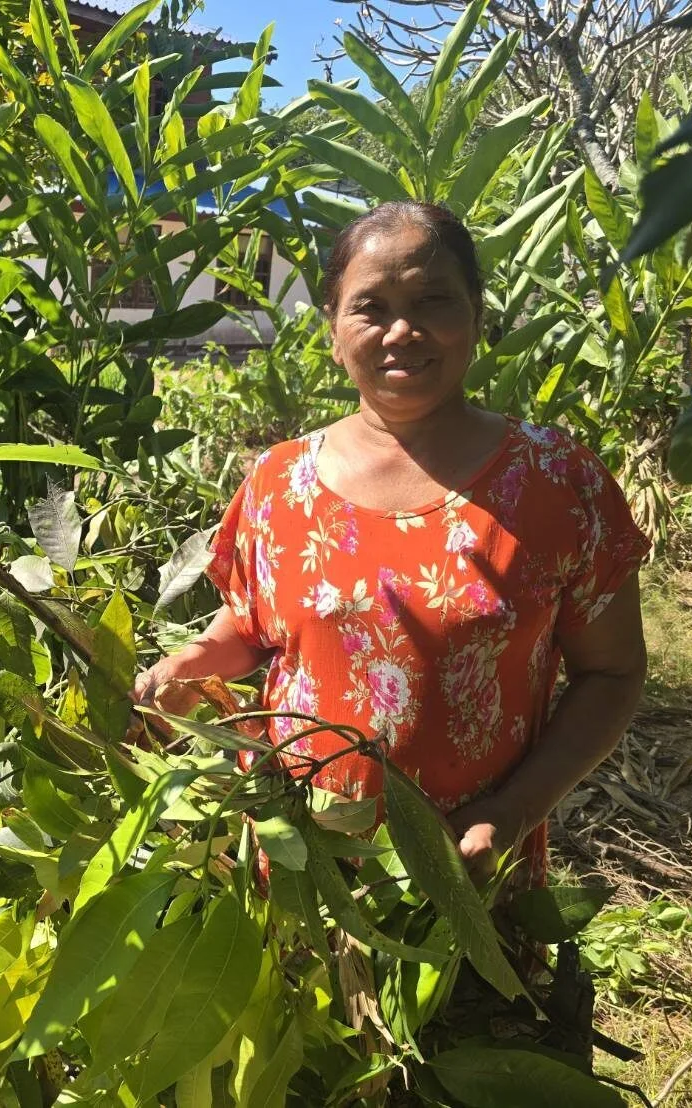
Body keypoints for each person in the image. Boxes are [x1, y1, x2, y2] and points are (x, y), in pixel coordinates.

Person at [133, 201, 649, 880]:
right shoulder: (280, 480)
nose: (401, 331)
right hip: (299, 863)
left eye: (433, 301)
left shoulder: (555, 481)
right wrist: (182, 670)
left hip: (466, 871)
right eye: (370, 307)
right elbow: (257, 622)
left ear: (474, 316)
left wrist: (513, 811)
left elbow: (610, 673)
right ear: (333, 329)